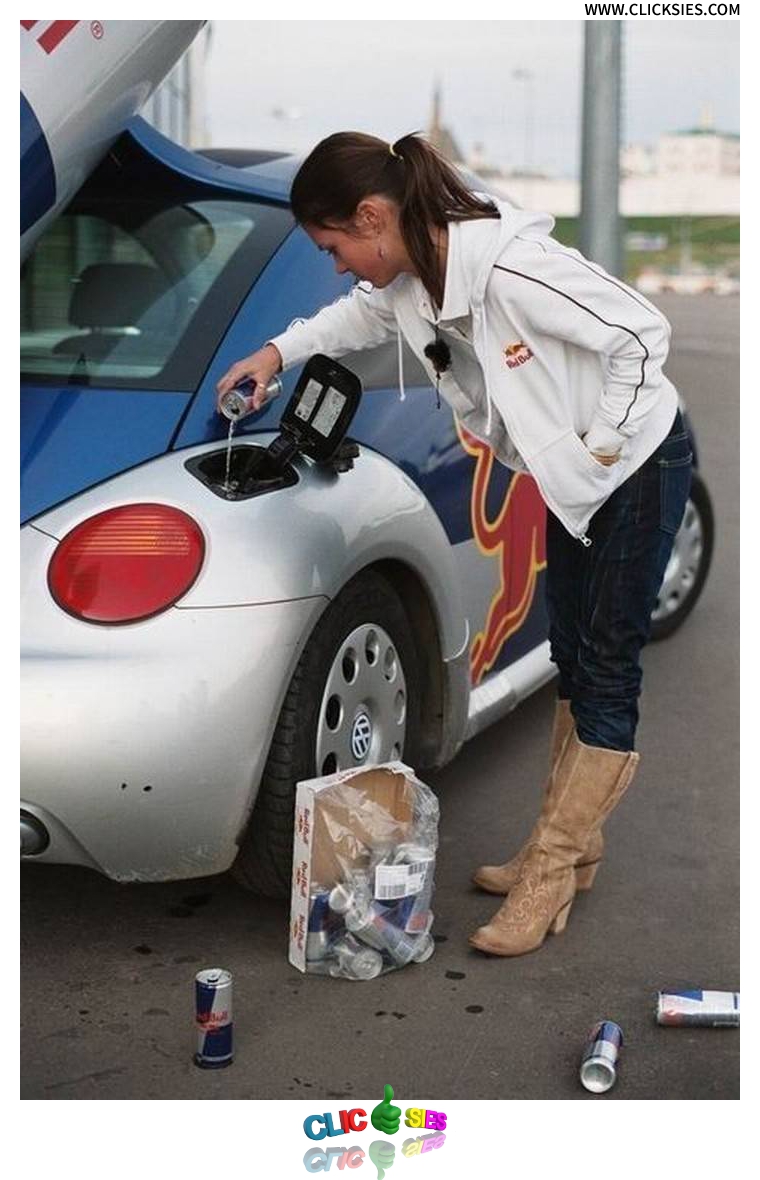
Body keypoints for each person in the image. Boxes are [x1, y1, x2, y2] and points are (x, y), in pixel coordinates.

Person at [216, 131, 693, 958]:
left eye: (334, 245)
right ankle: (569, 850)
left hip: (637, 467)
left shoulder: (510, 268)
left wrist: (603, 448)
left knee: (609, 665)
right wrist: (274, 353)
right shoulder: (414, 279)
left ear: (372, 217)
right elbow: (356, 318)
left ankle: (550, 873)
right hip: (579, 478)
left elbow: (642, 334)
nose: (337, 265)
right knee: (574, 655)